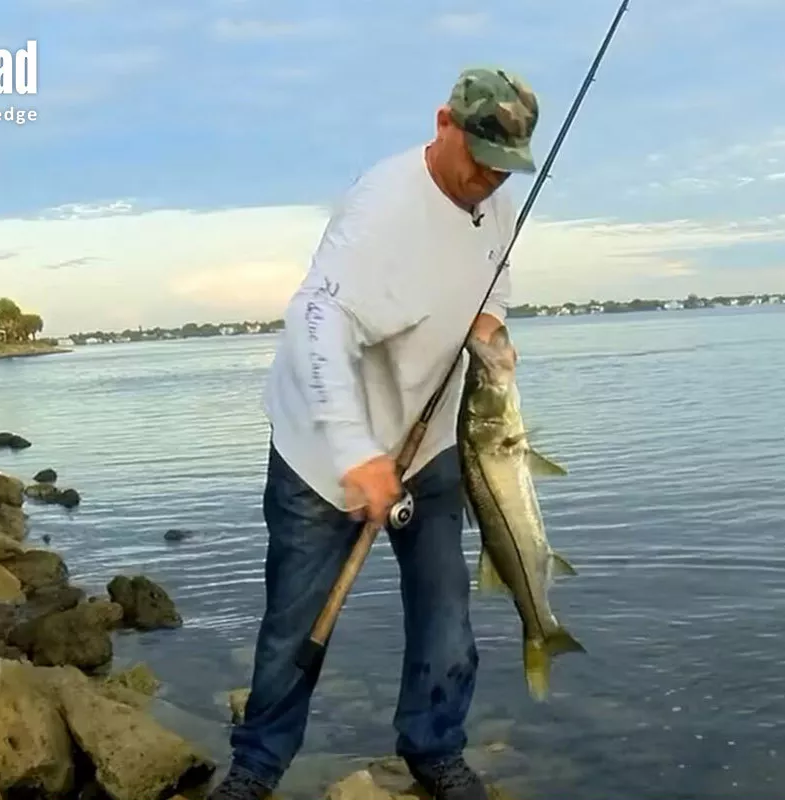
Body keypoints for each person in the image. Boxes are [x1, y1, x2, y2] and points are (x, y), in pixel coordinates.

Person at [207, 66, 539, 800]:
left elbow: (494, 283)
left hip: (432, 441)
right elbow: (315, 323)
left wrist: (490, 329)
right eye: (481, 156)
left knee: (446, 610)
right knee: (296, 621)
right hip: (323, 453)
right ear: (444, 122)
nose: (490, 177)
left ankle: (435, 747)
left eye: (505, 165)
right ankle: (256, 766)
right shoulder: (382, 211)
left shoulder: (497, 201)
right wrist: (357, 453)